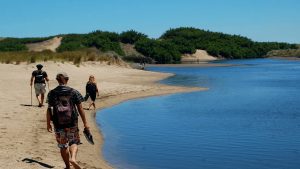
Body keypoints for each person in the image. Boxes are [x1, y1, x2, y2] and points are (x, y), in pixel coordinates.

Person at [46, 72, 90, 169]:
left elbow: (49, 109)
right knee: (73, 142)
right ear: (67, 79)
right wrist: (85, 123)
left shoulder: (52, 93)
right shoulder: (73, 92)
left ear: (57, 80)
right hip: (72, 123)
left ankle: (67, 167)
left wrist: (48, 123)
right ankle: (73, 158)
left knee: (63, 146)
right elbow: (80, 109)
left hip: (58, 124)